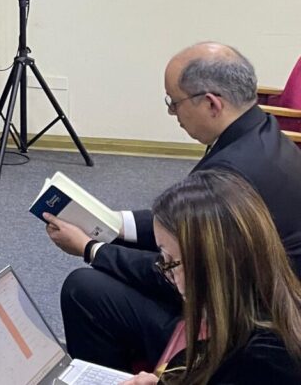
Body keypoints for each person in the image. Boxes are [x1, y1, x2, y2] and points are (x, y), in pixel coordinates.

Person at [43, 42, 301, 372]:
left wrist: (91, 249)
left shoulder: (231, 174)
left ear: (211, 103)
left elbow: (178, 273)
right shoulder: (261, 133)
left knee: (84, 289)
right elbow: (182, 230)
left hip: (235, 327)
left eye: (174, 102)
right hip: (263, 304)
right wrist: (114, 223)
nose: (172, 114)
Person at [118, 170, 301, 384]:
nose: (167, 274)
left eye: (171, 262)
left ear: (214, 265)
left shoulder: (263, 360)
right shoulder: (263, 316)